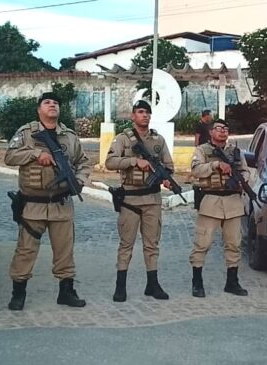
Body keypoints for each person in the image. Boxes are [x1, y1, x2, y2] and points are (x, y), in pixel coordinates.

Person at [5, 92, 92, 310]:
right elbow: (10, 157)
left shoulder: (69, 136)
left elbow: (84, 162)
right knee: (25, 250)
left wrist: (79, 181)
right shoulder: (26, 133)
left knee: (64, 251)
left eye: (56, 103)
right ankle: (18, 293)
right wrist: (35, 154)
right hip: (32, 204)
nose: (52, 105)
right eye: (47, 102)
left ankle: (66, 291)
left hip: (61, 204)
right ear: (39, 109)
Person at [105, 99, 174, 302]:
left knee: (152, 244)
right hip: (130, 200)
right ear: (133, 116)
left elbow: (169, 166)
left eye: (147, 113)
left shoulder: (158, 140)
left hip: (152, 199)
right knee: (126, 244)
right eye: (141, 112)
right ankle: (121, 287)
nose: (145, 115)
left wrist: (165, 178)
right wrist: (135, 161)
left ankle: (152, 285)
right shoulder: (123, 139)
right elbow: (110, 162)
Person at [188, 119, 250, 298]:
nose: (223, 132)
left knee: (234, 244)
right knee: (203, 243)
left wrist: (240, 180)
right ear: (211, 132)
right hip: (211, 200)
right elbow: (196, 170)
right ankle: (197, 282)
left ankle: (232, 282)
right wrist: (215, 165)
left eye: (226, 129)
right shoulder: (202, 150)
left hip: (232, 202)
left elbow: (245, 171)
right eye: (219, 129)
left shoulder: (235, 152)